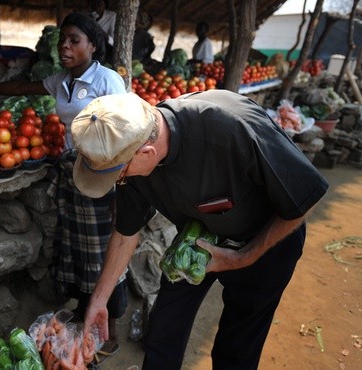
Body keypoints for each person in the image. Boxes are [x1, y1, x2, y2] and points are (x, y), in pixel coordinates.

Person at [72, 91, 329, 369]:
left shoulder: (232, 129)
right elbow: (125, 232)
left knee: (237, 349)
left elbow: (304, 200)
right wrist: (99, 301)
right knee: (162, 332)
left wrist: (243, 258)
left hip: (266, 240)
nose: (119, 181)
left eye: (118, 175)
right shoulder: (129, 149)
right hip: (196, 237)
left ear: (147, 153)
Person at [0, 12, 127, 360]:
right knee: (76, 246)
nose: (65, 45)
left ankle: (111, 331)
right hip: (72, 171)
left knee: (101, 248)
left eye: (74, 40)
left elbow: (125, 128)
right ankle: (83, 314)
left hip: (103, 174)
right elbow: (20, 87)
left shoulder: (108, 81)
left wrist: (116, 175)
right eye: (63, 39)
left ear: (92, 46)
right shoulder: (60, 80)